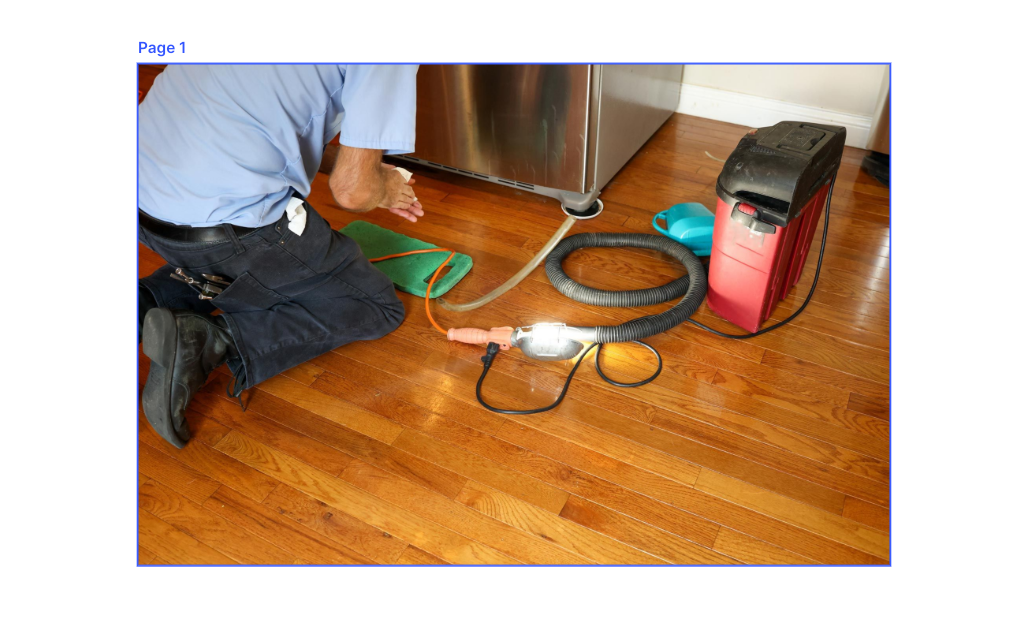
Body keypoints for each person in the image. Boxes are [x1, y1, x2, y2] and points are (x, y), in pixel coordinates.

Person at [138, 64, 421, 448]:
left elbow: (280, 126)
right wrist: (382, 187)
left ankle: (147, 303)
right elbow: (352, 192)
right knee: (374, 305)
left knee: (230, 260)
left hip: (150, 206)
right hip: (227, 232)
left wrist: (362, 165)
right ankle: (206, 340)